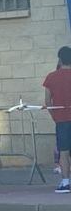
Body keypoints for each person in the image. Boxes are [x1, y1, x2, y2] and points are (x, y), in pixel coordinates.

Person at [43, 46, 71, 194]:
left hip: (61, 119)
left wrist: (55, 117)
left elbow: (48, 101)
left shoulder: (51, 77)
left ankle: (66, 182)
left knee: (64, 152)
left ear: (59, 59)